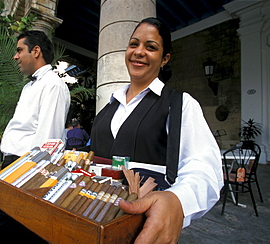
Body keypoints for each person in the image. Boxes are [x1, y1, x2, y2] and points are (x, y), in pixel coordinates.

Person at [90, 17, 223, 243]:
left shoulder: (180, 104)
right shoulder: (109, 106)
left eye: (150, 47)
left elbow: (204, 167)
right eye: (134, 44)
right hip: (90, 214)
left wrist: (177, 201)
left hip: (141, 227)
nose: (139, 52)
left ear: (165, 59)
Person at [0, 30, 70, 244]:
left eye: (19, 50)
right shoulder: (29, 86)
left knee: (12, 232)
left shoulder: (53, 85)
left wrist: (32, 182)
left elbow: (48, 141)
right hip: (12, 164)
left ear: (36, 51)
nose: (15, 56)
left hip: (26, 168)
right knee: (6, 230)